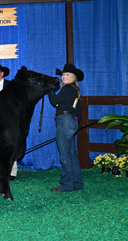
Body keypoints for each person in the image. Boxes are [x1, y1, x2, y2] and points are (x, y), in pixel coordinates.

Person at [48, 63, 84, 193]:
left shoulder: (68, 88)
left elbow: (55, 101)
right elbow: (78, 111)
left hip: (64, 121)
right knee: (71, 155)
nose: (64, 77)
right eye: (63, 75)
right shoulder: (75, 90)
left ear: (74, 77)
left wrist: (48, 89)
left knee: (65, 156)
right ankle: (77, 183)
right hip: (70, 121)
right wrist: (74, 123)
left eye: (67, 75)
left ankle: (66, 185)